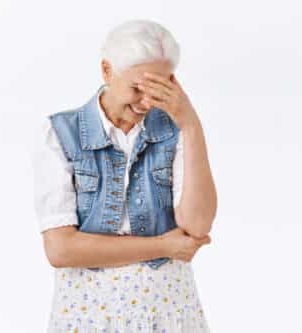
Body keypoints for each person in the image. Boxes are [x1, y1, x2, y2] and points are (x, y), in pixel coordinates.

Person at [31, 19, 217, 332]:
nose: (146, 103)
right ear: (107, 71)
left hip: (169, 311)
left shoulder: (176, 131)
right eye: (137, 89)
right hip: (88, 314)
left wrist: (190, 124)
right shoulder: (61, 133)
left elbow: (197, 225)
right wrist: (163, 246)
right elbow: (61, 249)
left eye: (159, 89)